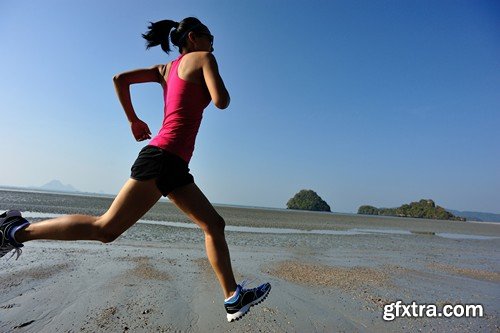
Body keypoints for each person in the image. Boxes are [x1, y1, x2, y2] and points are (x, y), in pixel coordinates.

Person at [0, 17, 270, 322]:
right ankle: (15, 230)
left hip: (174, 164)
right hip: (162, 158)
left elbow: (119, 79)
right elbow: (222, 102)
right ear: (194, 38)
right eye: (211, 38)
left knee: (213, 225)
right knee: (106, 229)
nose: (213, 44)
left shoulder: (164, 70)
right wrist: (213, 72)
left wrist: (134, 120)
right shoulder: (205, 58)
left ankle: (233, 298)